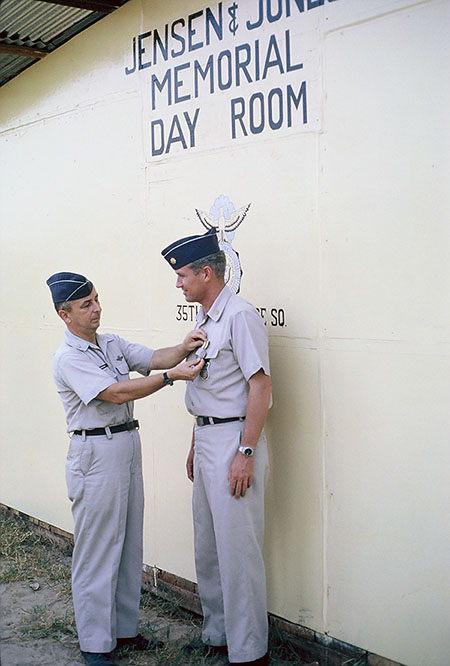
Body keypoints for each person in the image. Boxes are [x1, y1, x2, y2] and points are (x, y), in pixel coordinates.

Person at [46, 271, 205, 666]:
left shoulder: (110, 342)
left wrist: (184, 347)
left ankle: (123, 631)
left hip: (125, 444)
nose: (97, 308)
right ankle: (95, 645)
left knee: (129, 542)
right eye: (86, 304)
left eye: (97, 299)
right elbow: (115, 391)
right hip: (95, 453)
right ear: (65, 315)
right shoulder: (68, 358)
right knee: (98, 549)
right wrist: (170, 378)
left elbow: (152, 359)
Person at [161, 231, 272, 666]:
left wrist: (245, 453)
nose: (178, 284)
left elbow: (259, 386)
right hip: (208, 437)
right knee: (208, 546)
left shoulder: (240, 316)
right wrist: (195, 441)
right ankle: (219, 635)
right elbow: (209, 386)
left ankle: (249, 652)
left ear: (207, 273)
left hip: (233, 440)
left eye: (182, 275)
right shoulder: (205, 321)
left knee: (237, 551)